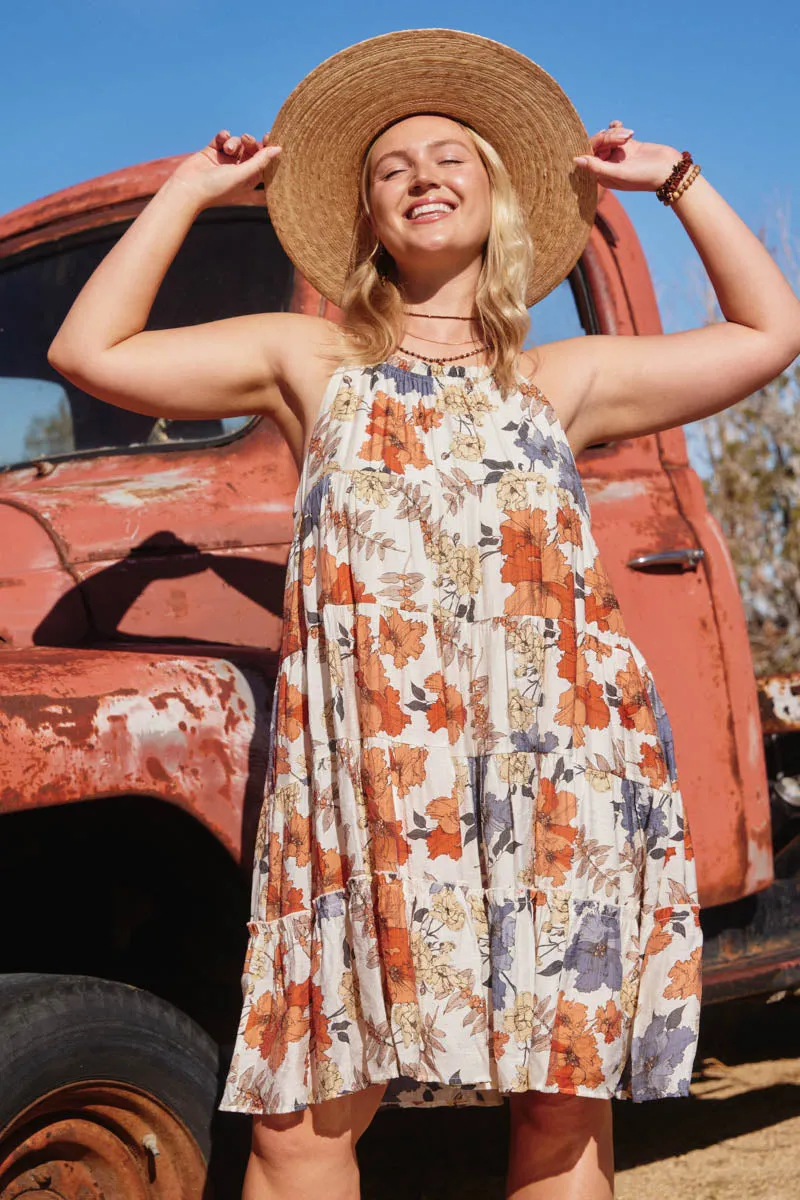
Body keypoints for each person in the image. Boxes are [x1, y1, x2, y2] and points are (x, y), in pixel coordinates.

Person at [47, 28, 800, 1200]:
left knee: (558, 1115)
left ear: (495, 198)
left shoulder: (566, 378)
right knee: (300, 1125)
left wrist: (679, 184)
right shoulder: (306, 360)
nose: (421, 175)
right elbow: (88, 350)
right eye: (390, 167)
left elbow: (768, 333)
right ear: (366, 217)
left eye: (452, 155)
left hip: (555, 777)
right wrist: (192, 191)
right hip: (363, 790)